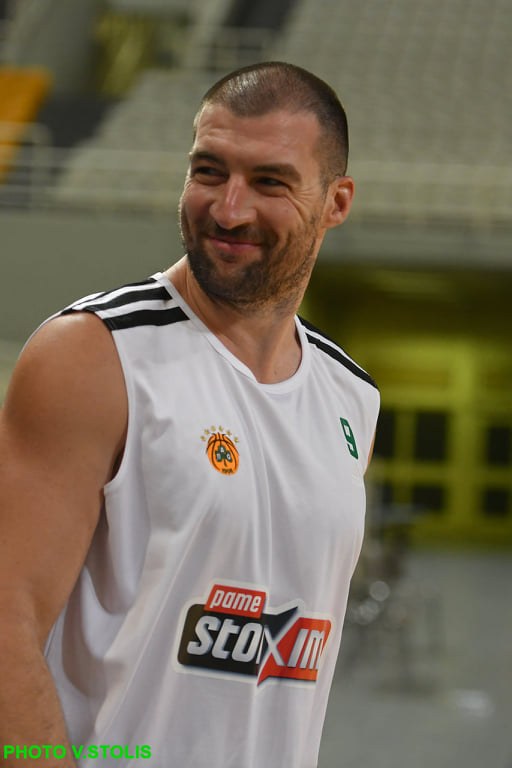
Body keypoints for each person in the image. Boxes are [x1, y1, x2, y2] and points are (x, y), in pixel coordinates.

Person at [0, 61, 379, 767]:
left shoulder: (350, 395)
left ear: (336, 202)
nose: (229, 210)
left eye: (269, 182)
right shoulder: (93, 355)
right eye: (209, 171)